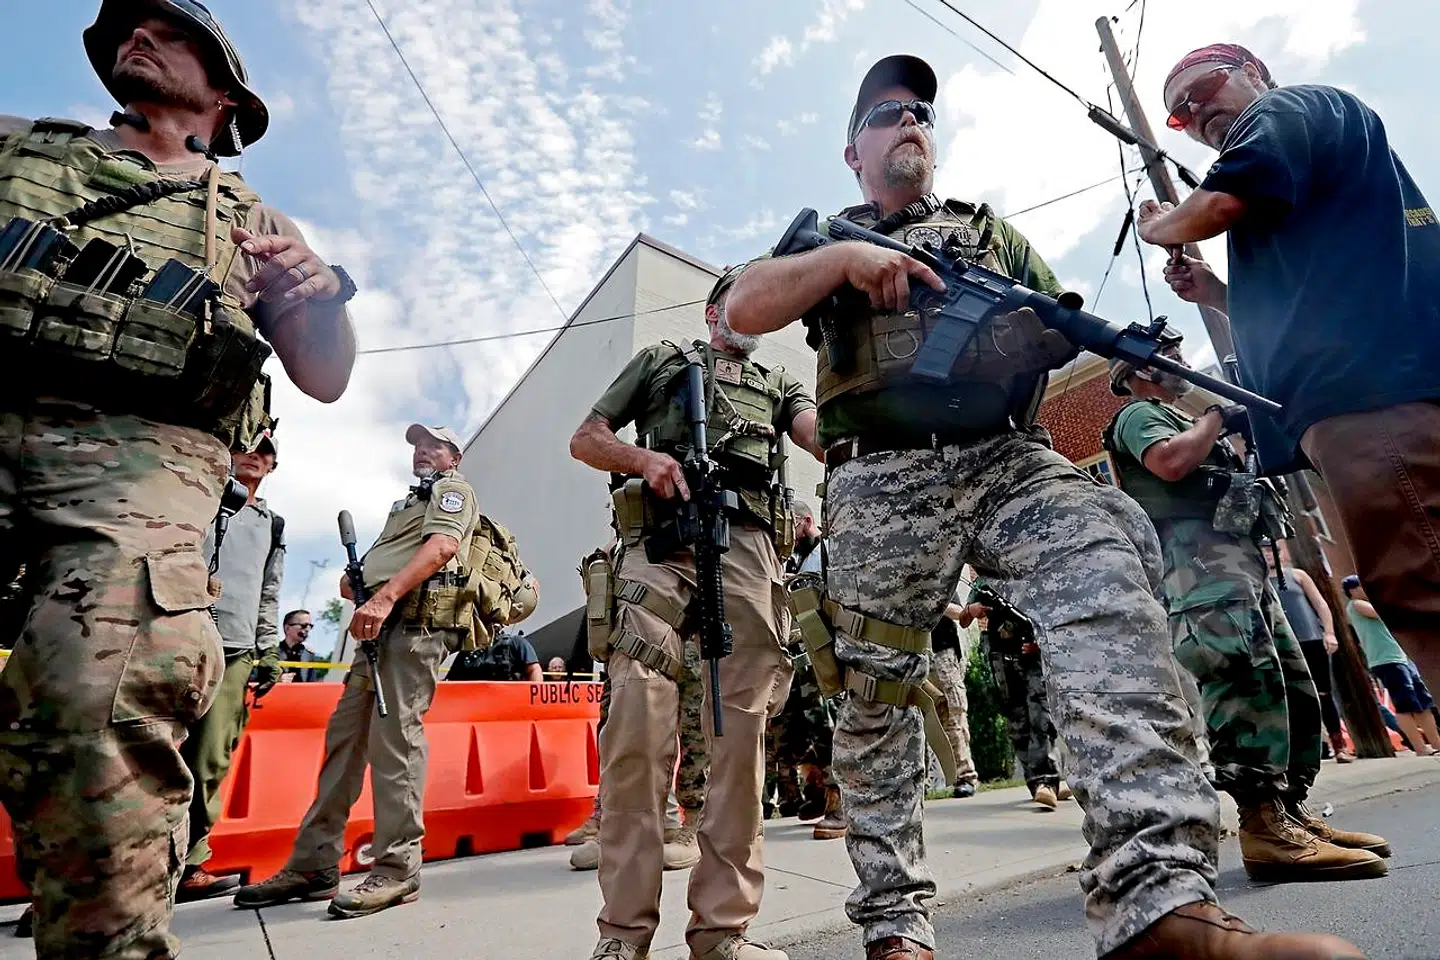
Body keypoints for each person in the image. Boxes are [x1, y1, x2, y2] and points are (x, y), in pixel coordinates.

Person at [725, 52, 1366, 960]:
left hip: (1009, 457)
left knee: (1111, 571)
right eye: (887, 112)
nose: (911, 122)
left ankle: (1158, 903)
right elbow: (743, 307)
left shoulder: (990, 234)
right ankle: (895, 927)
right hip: (880, 475)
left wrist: (1094, 357)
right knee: (876, 688)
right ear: (851, 152)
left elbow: (1064, 329)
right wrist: (848, 258)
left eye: (922, 113)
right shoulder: (826, 239)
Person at [0, 2, 357, 953]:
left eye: (172, 31)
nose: (139, 35)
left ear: (225, 94)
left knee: (99, 703)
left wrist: (321, 293)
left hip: (138, 466)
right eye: (129, 25)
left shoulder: (252, 221)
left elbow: (325, 375)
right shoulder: (19, 149)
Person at [1136, 42, 1440, 697]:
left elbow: (1220, 203)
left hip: (1371, 401)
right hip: (1383, 396)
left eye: (1204, 89)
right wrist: (1217, 293)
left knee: (1423, 582)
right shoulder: (1313, 160)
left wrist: (1160, 227)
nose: (1196, 113)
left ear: (1255, 73)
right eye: (1180, 115)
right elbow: (1310, 295)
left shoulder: (1283, 109)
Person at [569, 264, 821, 960]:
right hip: (661, 543)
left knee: (740, 741)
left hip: (750, 549)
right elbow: (587, 438)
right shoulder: (662, 361)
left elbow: (817, 433)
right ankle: (623, 935)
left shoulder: (780, 385)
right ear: (713, 312)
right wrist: (644, 461)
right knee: (636, 724)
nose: (756, 311)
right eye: (742, 298)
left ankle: (722, 933)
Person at [1104, 341, 1388, 884]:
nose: (1182, 365)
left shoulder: (1179, 417)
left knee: (1289, 683)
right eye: (1170, 356)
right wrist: (1216, 416)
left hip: (1237, 565)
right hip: (1201, 569)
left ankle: (1289, 812)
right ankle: (1262, 826)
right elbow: (1169, 462)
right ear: (1140, 369)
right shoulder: (1139, 415)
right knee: (1242, 680)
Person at [234, 424, 477, 919]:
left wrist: (384, 597)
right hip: (380, 635)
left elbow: (442, 548)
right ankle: (313, 864)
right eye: (417, 445)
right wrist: (359, 580)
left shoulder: (454, 491)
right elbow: (373, 569)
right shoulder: (407, 505)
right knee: (344, 741)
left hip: (415, 629)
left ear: (454, 457)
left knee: (396, 741)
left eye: (434, 445)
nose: (422, 451)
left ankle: (397, 867)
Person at [178, 429, 287, 902]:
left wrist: (268, 649)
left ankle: (188, 865)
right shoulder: (194, 498)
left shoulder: (272, 524)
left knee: (208, 761)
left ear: (273, 466)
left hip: (235, 650)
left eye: (266, 452)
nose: (256, 456)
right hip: (173, 636)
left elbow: (269, 591)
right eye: (250, 446)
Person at [772, 504, 845, 839]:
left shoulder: (828, 552)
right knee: (795, 734)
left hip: (821, 652)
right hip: (795, 655)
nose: (788, 531)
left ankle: (840, 800)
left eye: (792, 524)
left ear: (807, 521)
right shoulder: (792, 558)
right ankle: (815, 791)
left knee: (825, 727)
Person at [965, 583, 1067, 809]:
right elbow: (964, 618)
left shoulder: (1031, 575)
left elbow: (1057, 612)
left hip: (1034, 658)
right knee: (1017, 722)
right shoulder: (985, 583)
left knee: (1041, 717)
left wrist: (1040, 642)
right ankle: (1041, 781)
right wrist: (972, 609)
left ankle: (1045, 781)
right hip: (1003, 659)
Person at [1266, 541, 1353, 762]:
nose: (1268, 555)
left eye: (1272, 550)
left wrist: (1329, 632)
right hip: (1281, 645)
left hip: (1311, 639)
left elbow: (1320, 604)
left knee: (1324, 693)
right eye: (1264, 551)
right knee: (1293, 696)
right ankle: (1312, 748)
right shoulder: (1258, 581)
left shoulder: (1297, 575)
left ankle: (1339, 745)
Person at [1343, 576, 1439, 756]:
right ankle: (1420, 747)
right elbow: (1383, 613)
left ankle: (1436, 743)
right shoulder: (1356, 605)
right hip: (1386, 660)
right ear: (1352, 590)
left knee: (1423, 702)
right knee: (1404, 704)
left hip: (1402, 657)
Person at [930, 591, 980, 800]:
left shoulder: (940, 580)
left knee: (953, 717)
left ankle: (965, 777)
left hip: (942, 653)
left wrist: (928, 601)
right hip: (912, 654)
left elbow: (959, 612)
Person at [448, 627, 544, 682]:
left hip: (509, 704)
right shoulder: (466, 653)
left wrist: (534, 703)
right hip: (474, 706)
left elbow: (534, 670)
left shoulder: (515, 643)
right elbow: (451, 682)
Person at [278, 610, 324, 683]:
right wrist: (277, 680)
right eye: (304, 625)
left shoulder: (308, 655)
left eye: (310, 626)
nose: (308, 629)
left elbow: (312, 683)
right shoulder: (271, 653)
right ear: (287, 628)